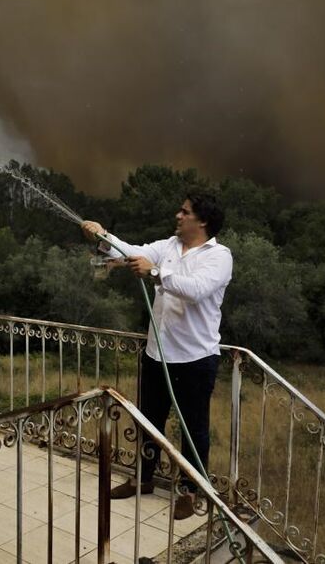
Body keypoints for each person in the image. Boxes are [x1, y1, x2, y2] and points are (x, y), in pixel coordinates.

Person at [81, 191, 232, 520]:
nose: (178, 216)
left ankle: (191, 492)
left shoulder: (219, 256)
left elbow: (196, 290)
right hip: (157, 355)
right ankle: (144, 479)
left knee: (194, 430)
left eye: (185, 212)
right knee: (150, 422)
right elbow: (132, 252)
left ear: (202, 221)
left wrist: (153, 273)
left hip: (195, 360)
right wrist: (103, 236)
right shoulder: (168, 246)